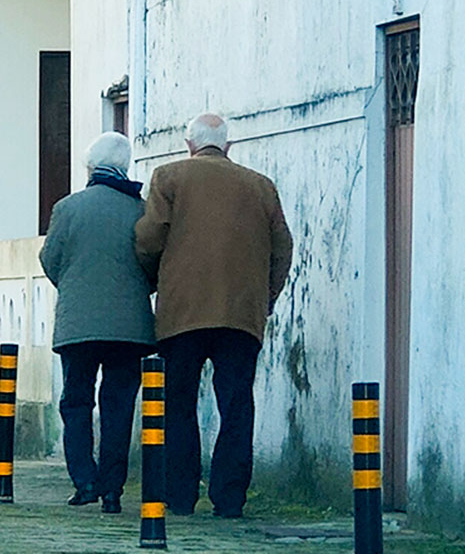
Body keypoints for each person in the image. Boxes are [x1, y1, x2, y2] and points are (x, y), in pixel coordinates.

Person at [135, 113, 293, 518]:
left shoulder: (168, 178)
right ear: (227, 146)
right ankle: (229, 498)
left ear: (189, 145)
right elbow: (282, 248)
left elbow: (149, 239)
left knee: (179, 404)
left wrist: (155, 281)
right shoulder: (261, 186)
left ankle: (180, 495)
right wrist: (265, 299)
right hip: (241, 316)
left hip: (181, 314)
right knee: (237, 405)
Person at [39, 132, 156, 515]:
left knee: (76, 402)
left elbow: (50, 260)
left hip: (78, 327)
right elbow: (153, 263)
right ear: (125, 168)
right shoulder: (141, 211)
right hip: (130, 330)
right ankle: (112, 490)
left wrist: (76, 289)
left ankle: (84, 480)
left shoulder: (67, 208)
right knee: (118, 406)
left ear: (89, 168)